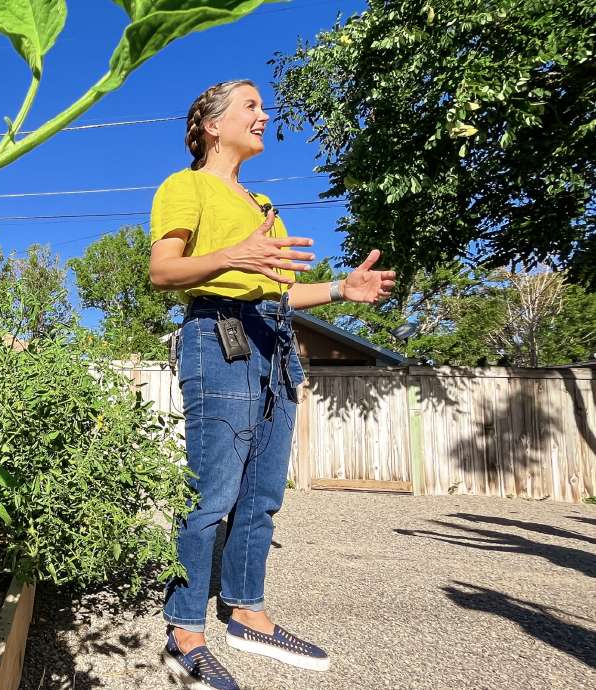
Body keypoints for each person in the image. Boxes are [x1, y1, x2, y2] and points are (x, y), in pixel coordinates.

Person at [147, 79, 396, 690]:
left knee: (262, 493)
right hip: (219, 335)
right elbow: (163, 270)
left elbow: (278, 290)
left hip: (274, 339)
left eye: (263, 107)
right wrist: (232, 256)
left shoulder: (262, 206)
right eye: (251, 106)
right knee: (212, 494)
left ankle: (247, 614)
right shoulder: (186, 187)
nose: (264, 115)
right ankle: (185, 630)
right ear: (212, 124)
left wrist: (339, 290)